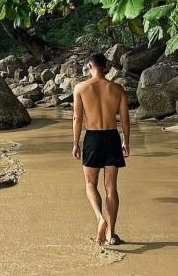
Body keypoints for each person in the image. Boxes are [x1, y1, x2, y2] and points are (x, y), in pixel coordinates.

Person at [72, 53, 130, 246]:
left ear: (90, 66)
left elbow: (77, 119)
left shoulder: (81, 88)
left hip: (93, 138)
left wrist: (75, 144)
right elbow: (125, 119)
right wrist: (126, 142)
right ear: (104, 67)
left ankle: (100, 218)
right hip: (112, 137)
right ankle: (111, 234)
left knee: (90, 184)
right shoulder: (117, 89)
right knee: (111, 188)